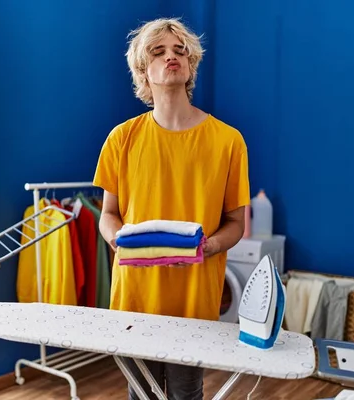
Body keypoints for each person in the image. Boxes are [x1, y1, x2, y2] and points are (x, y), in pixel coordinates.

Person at [93, 17, 250, 400]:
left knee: (185, 393)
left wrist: (208, 247)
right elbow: (108, 216)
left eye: (180, 51)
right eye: (159, 52)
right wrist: (122, 240)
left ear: (192, 65)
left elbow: (235, 223)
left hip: (193, 296)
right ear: (143, 69)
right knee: (141, 394)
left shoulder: (228, 141)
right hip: (135, 296)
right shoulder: (122, 138)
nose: (171, 57)